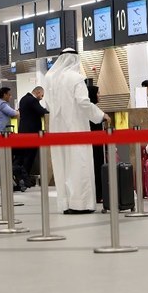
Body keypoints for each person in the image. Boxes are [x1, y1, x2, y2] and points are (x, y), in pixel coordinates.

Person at [44, 48, 110, 214]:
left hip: (57, 131)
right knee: (79, 165)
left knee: (63, 166)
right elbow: (83, 103)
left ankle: (66, 204)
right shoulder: (76, 78)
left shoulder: (50, 79)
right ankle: (80, 204)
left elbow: (47, 105)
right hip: (76, 128)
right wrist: (101, 115)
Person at [87, 85, 105, 203]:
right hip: (95, 145)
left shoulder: (90, 108)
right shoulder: (92, 109)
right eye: (97, 93)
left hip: (93, 144)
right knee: (97, 168)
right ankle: (98, 194)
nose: (99, 95)